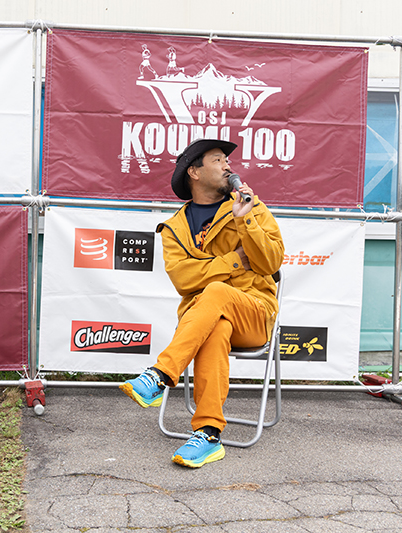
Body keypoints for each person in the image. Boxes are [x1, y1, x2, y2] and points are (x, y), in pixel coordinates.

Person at [119, 138, 283, 469]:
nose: (227, 165)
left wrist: (245, 220)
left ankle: (160, 375)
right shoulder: (174, 229)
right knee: (216, 327)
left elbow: (271, 262)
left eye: (227, 160)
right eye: (218, 160)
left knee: (216, 292)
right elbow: (184, 280)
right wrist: (234, 261)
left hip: (254, 313)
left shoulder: (249, 205)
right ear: (194, 172)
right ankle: (208, 435)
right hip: (206, 319)